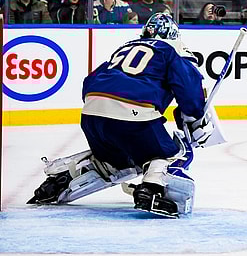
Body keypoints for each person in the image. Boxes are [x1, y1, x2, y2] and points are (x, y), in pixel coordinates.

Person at [28, 13, 213, 219]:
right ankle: (152, 190)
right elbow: (188, 87)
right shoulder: (171, 50)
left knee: (117, 162)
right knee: (172, 154)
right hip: (132, 114)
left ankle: (63, 176)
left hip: (92, 114)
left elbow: (90, 80)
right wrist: (195, 118)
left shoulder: (125, 48)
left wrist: (103, 107)